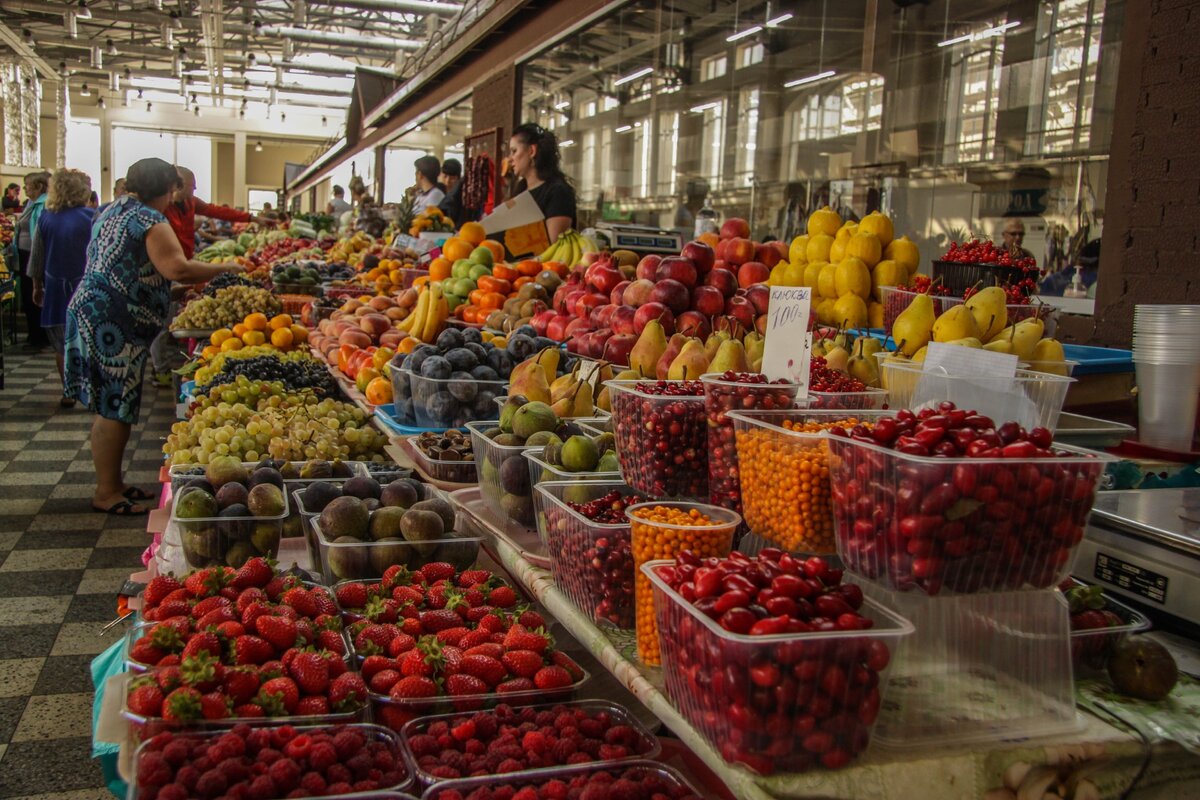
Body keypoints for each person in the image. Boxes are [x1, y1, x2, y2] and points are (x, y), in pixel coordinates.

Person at [63, 158, 243, 516]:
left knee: (110, 404)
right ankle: (106, 490)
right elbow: (177, 267)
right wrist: (230, 267)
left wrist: (164, 292)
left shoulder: (114, 209)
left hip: (96, 309)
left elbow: (131, 264)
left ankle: (112, 482)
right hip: (114, 321)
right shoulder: (151, 219)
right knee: (115, 406)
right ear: (168, 189)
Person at [28, 169, 94, 407]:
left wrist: (36, 286)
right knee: (87, 340)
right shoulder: (92, 217)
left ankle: (68, 390)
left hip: (55, 288)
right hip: (87, 288)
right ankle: (90, 387)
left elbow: (37, 256)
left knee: (60, 343)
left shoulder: (46, 217)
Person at [509, 123, 577, 242]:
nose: (510, 158)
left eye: (514, 151)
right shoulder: (521, 190)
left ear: (532, 151)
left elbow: (554, 245)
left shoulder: (558, 193)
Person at [12, 171, 51, 349]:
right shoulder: (30, 203)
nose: (25, 188)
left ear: (38, 186)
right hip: (24, 252)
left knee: (34, 296)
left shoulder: (43, 204)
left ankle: (39, 336)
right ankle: (33, 334)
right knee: (27, 296)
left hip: (33, 254)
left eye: (28, 185)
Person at [437, 158, 469, 227]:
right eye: (445, 176)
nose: (447, 181)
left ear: (458, 179)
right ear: (439, 175)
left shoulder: (460, 199)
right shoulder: (436, 192)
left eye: (452, 178)